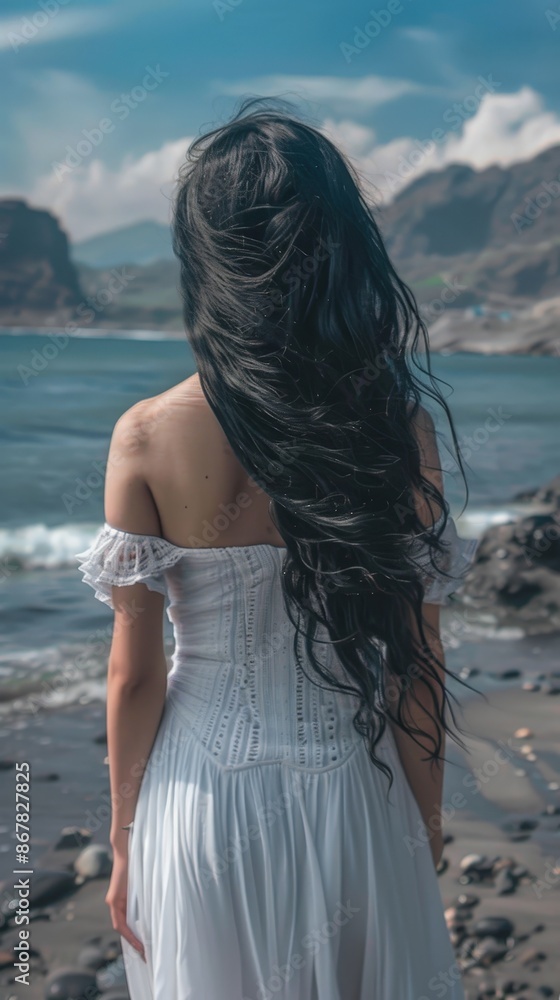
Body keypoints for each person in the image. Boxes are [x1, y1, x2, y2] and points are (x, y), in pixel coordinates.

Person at [76, 98, 478, 1000]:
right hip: (356, 791)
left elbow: (133, 678)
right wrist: (425, 817)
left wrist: (126, 840)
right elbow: (418, 659)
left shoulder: (143, 435)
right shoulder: (394, 429)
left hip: (200, 803)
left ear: (206, 259)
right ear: (338, 248)